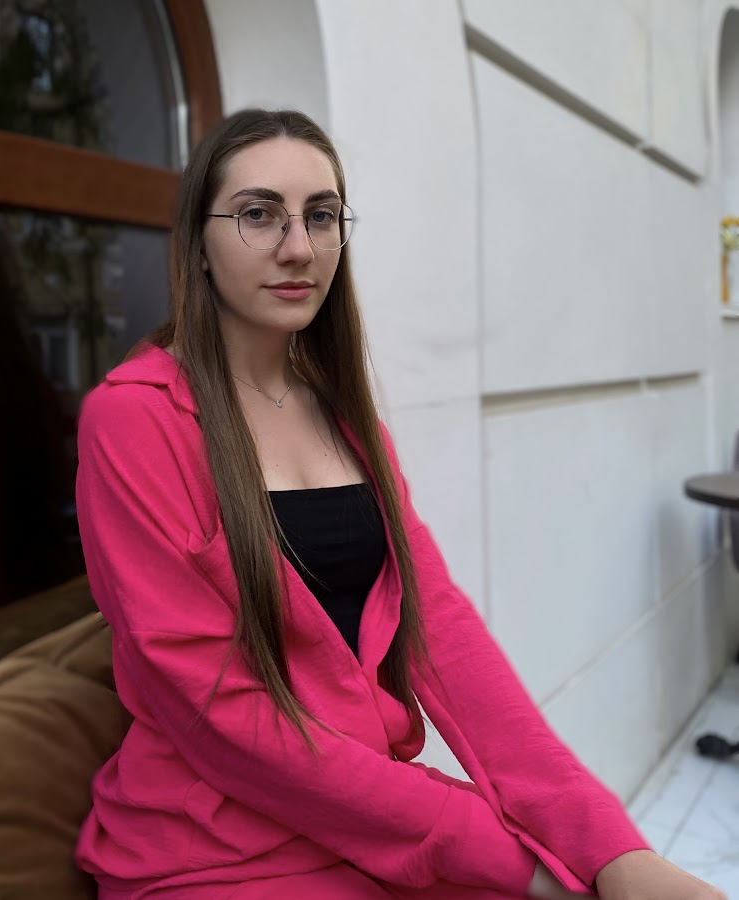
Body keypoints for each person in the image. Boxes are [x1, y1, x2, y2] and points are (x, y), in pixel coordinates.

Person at [74, 109, 725, 900]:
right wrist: (504, 855)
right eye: (259, 214)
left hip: (366, 822)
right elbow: (210, 707)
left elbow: (442, 636)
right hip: (209, 849)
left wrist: (613, 850)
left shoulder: (347, 419)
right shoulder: (134, 419)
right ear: (198, 244)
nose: (298, 247)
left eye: (321, 216)